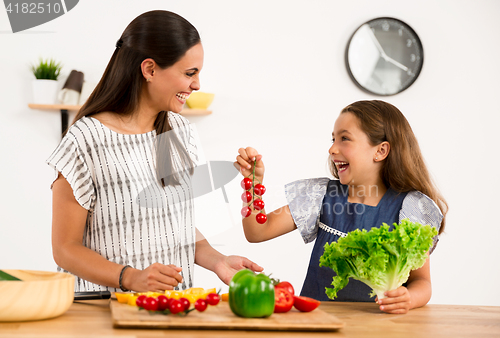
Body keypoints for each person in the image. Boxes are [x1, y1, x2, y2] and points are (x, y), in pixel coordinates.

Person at [46, 10, 262, 293]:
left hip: (171, 307)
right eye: (189, 73)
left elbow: (174, 226)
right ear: (149, 69)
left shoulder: (180, 132)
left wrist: (218, 261)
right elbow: (65, 249)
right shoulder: (85, 139)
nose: (196, 85)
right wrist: (130, 277)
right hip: (104, 313)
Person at [235, 100, 447, 314]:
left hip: (381, 331)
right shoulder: (321, 196)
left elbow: (422, 282)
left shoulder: (409, 209)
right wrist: (253, 183)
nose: (332, 148)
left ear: (381, 151)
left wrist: (409, 298)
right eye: (333, 139)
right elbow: (257, 231)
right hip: (319, 326)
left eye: (344, 139)